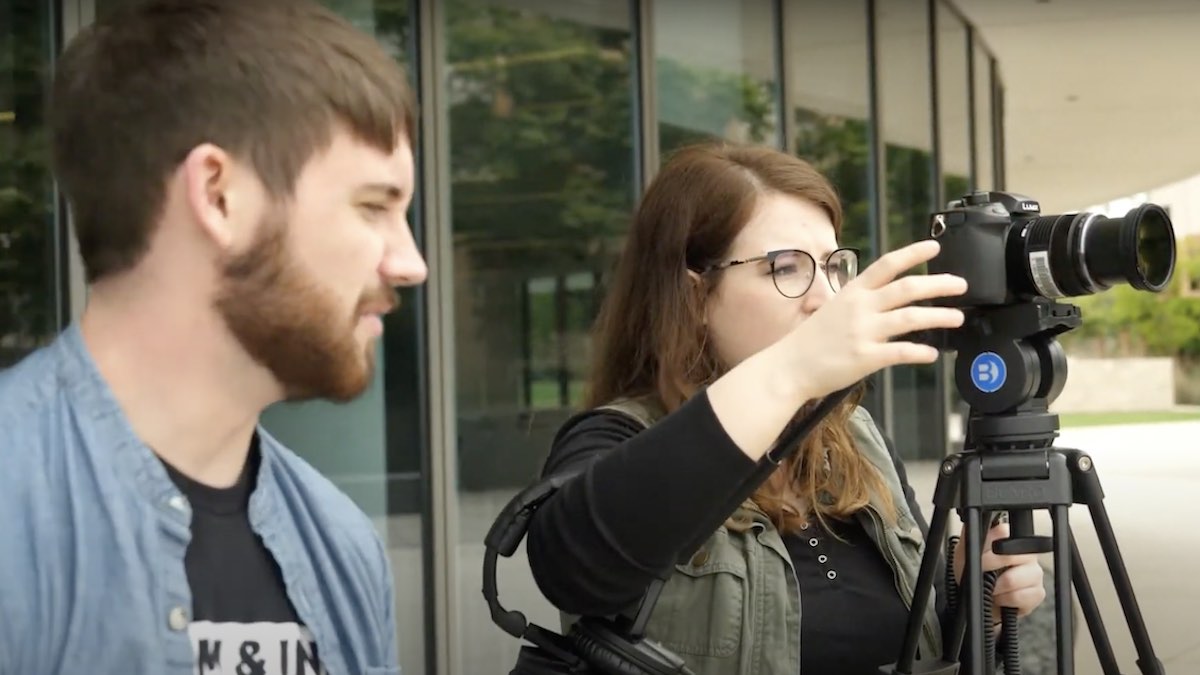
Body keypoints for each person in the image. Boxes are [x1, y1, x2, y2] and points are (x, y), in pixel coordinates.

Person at [0, 1, 425, 673]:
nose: (410, 263)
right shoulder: (14, 508)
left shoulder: (341, 546)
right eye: (374, 206)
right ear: (218, 195)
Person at [525, 142, 1047, 675]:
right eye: (787, 267)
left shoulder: (854, 436)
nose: (825, 297)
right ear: (694, 296)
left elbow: (908, 636)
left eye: (832, 266)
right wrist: (792, 369)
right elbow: (570, 567)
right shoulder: (617, 437)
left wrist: (963, 592)